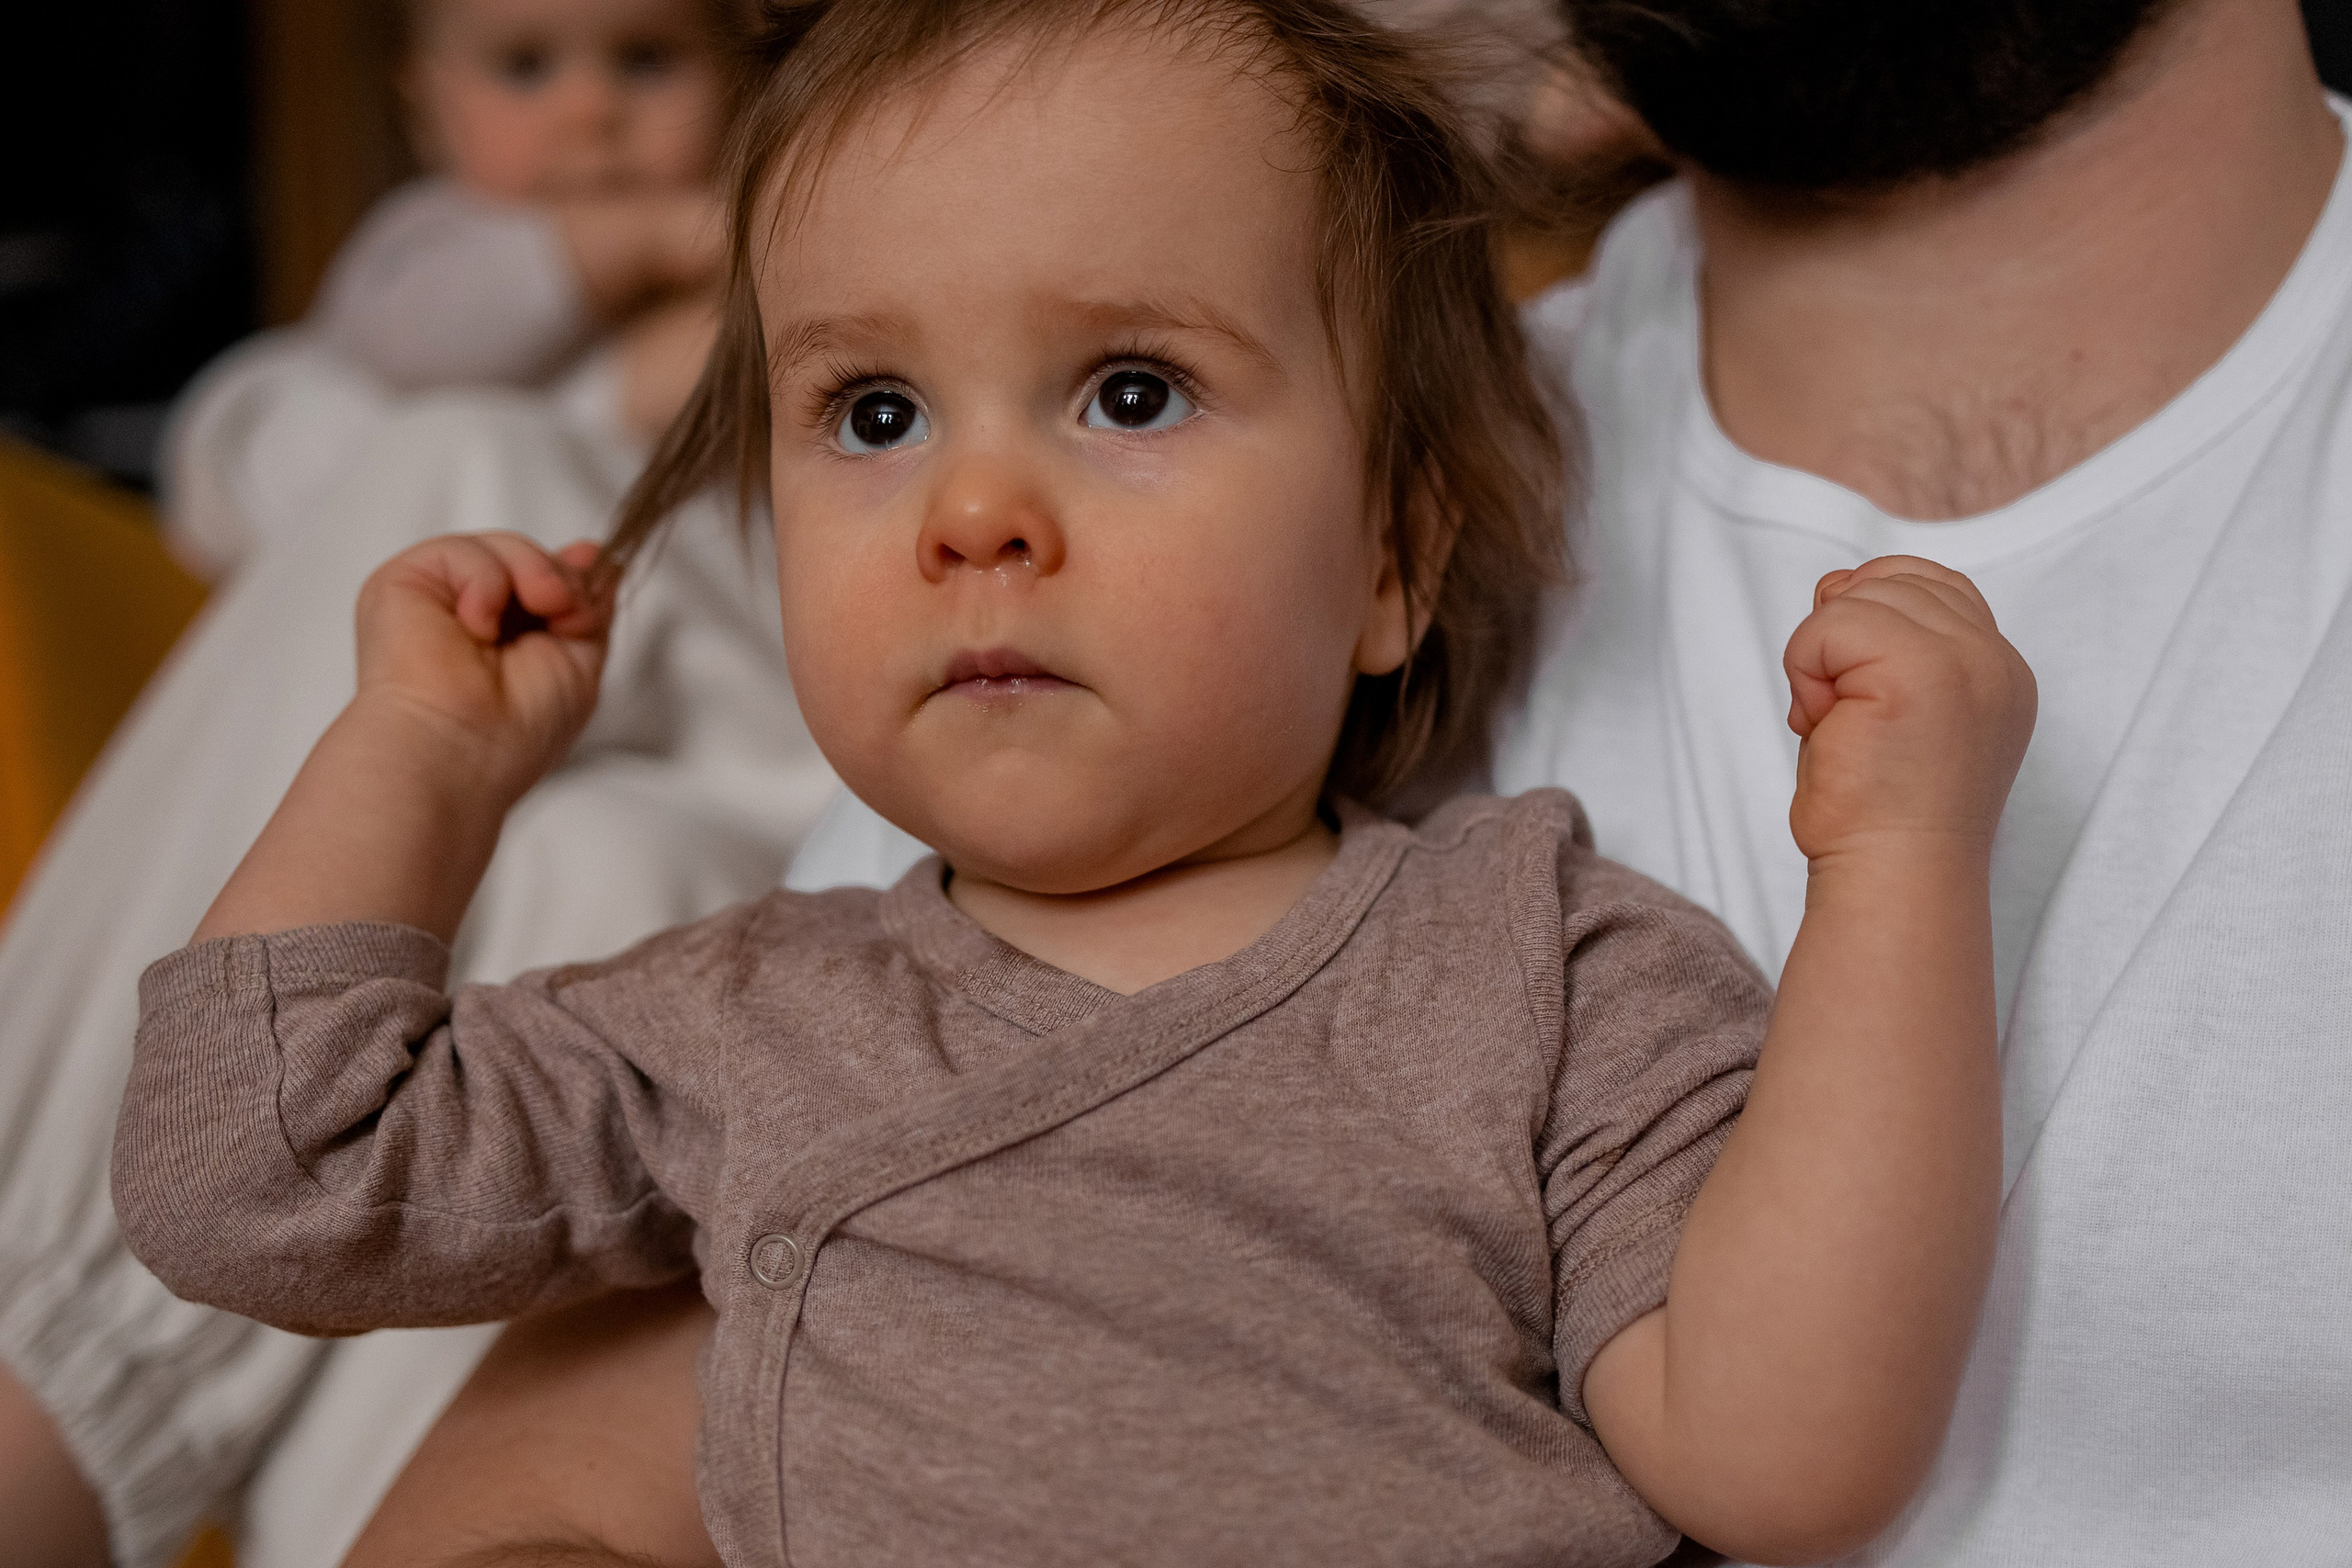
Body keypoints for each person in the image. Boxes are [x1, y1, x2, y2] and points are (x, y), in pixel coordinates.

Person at [351, 0, 2352, 1562]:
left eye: (1124, 391)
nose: (973, 502)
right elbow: (539, 1505)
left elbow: (1783, 1444)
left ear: (1401, 558)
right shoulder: (1185, 569)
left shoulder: (1476, 857)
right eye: (868, 412)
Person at [166, 0, 733, 578]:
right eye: (525, 66)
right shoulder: (434, 234)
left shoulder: (722, 265)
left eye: (646, 60)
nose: (590, 111)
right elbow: (410, 347)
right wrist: (632, 244)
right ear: (428, 111)